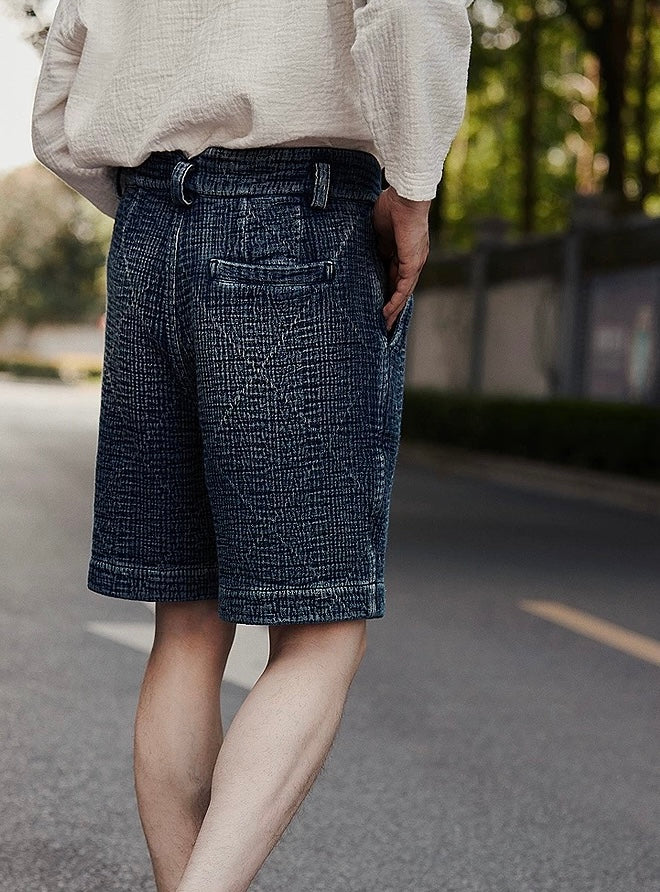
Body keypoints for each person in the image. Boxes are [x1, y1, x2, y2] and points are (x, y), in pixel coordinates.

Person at [31, 2, 473, 890]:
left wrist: (170, 214)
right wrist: (415, 186)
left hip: (150, 229)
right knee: (320, 628)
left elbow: (57, 103)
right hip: (300, 216)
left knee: (187, 621)